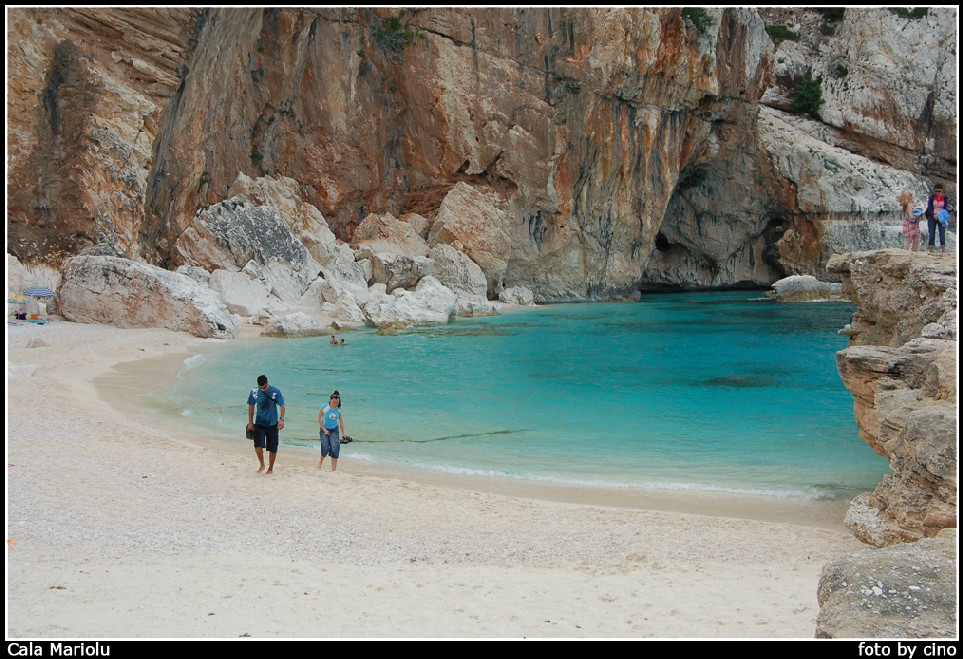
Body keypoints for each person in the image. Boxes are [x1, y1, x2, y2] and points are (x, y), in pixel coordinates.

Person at [246, 374, 285, 474]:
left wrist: (281, 419)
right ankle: (262, 464)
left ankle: (270, 468)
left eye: (264, 387)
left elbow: (282, 405)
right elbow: (251, 405)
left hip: (272, 423)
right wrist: (250, 422)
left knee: (273, 447)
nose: (262, 389)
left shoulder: (275, 391)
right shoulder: (254, 392)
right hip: (259, 422)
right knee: (257, 445)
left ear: (267, 383)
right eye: (260, 387)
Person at [318, 390, 345, 472]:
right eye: (334, 402)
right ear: (330, 400)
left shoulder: (339, 409)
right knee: (325, 448)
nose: (335, 404)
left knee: (335, 448)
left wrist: (344, 433)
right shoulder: (324, 407)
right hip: (324, 429)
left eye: (337, 402)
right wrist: (324, 430)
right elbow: (319, 419)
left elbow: (341, 422)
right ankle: (320, 463)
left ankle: (334, 470)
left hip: (334, 430)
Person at [924, 184, 951, 254]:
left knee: (942, 233)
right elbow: (929, 207)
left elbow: (945, 208)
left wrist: (940, 215)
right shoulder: (932, 197)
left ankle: (943, 249)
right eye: (936, 191)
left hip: (941, 217)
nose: (937, 193)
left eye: (939, 191)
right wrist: (933, 215)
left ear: (942, 190)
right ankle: (931, 249)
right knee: (931, 233)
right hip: (932, 216)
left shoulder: (944, 198)